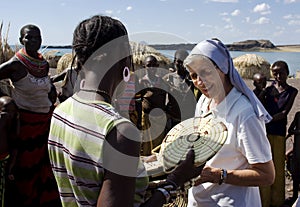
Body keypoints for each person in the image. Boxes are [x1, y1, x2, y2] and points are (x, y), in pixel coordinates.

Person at [48, 15, 204, 207]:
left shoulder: (61, 112)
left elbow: (92, 173)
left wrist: (141, 162)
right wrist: (174, 181)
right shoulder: (119, 131)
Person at [183, 38, 275, 207]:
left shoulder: (244, 114)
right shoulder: (204, 102)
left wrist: (219, 175)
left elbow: (266, 175)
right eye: (194, 76)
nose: (200, 82)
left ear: (223, 68)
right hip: (199, 200)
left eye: (206, 72)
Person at [0, 24, 61, 206]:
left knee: (46, 166)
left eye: (37, 37)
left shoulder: (43, 63)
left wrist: (51, 92)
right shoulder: (16, 64)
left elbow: (47, 87)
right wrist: (4, 100)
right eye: (29, 37)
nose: (34, 40)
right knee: (26, 167)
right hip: (26, 125)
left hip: (46, 121)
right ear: (21, 41)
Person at [259, 60, 298, 207]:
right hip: (266, 133)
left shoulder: (292, 92)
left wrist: (267, 119)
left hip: (279, 133)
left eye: (281, 72)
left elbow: (284, 113)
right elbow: (258, 104)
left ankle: (277, 201)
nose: (278, 76)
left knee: (279, 167)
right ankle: (264, 200)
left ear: (287, 73)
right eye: (275, 73)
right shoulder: (268, 90)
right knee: (265, 164)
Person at [0, 96, 19, 207]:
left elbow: (15, 146)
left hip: (3, 161)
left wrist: (10, 169)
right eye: (6, 112)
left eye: (13, 113)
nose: (9, 115)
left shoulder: (12, 124)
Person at [284, 111, 300, 206]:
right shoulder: (298, 115)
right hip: (297, 150)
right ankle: (294, 197)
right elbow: (290, 130)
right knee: (295, 174)